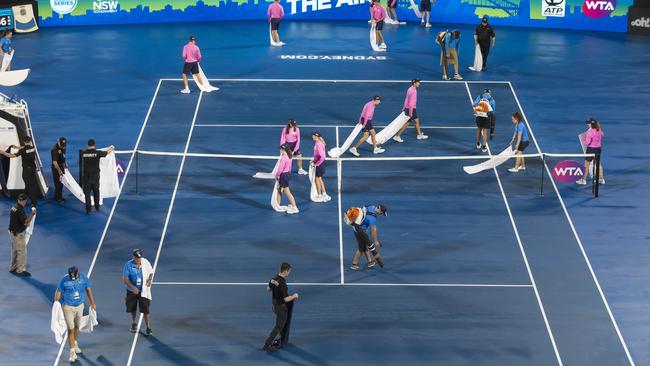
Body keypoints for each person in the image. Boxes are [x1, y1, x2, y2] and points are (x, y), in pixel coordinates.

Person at [54, 266, 97, 363]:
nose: (72, 278)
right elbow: (58, 291)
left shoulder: (83, 278)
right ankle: (72, 352)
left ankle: (75, 343)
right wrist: (56, 302)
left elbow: (88, 290)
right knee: (71, 329)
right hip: (68, 307)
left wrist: (92, 303)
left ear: (77, 273)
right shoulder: (64, 279)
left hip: (80, 306)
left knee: (77, 327)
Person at [263, 262, 299, 352]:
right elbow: (286, 299)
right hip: (281, 307)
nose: (289, 273)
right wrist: (294, 296)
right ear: (285, 271)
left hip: (274, 306)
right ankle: (267, 345)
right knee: (278, 326)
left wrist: (276, 291)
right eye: (289, 271)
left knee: (282, 323)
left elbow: (268, 289)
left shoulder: (273, 279)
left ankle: (280, 339)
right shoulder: (282, 283)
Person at [0, 136, 41, 206]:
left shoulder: (23, 150)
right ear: (30, 141)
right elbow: (25, 148)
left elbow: (12, 156)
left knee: (29, 186)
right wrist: (17, 147)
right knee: (29, 185)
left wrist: (3, 153)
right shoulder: (32, 148)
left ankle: (34, 202)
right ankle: (24, 199)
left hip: (26, 171)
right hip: (33, 169)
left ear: (24, 142)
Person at [123, 249, 154, 336]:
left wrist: (150, 279)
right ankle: (134, 323)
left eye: (139, 258)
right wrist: (133, 288)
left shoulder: (145, 262)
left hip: (143, 291)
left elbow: (151, 271)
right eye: (136, 258)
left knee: (146, 310)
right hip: (132, 292)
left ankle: (148, 327)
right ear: (133, 257)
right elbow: (125, 279)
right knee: (132, 309)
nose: (138, 260)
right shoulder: (128, 265)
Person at [346, 205, 388, 270]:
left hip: (357, 228)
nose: (381, 214)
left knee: (365, 246)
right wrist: (376, 241)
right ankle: (354, 264)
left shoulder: (372, 206)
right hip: (360, 232)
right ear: (379, 210)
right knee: (361, 248)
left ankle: (369, 262)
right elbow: (373, 230)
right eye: (381, 213)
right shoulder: (373, 219)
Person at [81, 139, 114, 214]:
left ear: (88, 145)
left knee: (87, 194)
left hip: (86, 177)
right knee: (96, 192)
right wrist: (111, 148)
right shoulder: (97, 153)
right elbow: (106, 153)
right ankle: (97, 207)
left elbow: (79, 160)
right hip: (95, 177)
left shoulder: (83, 153)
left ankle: (88, 210)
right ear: (94, 145)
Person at [7, 193, 35, 277]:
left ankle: (13, 267)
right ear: (24, 201)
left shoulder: (14, 207)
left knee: (15, 250)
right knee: (22, 251)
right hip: (17, 234)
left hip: (12, 233)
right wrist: (32, 214)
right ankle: (20, 270)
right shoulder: (20, 210)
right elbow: (26, 222)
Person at [577, 118, 605, 185]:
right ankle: (601, 179)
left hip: (591, 149)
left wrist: (582, 139)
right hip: (598, 149)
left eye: (588, 123)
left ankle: (583, 180)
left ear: (591, 124)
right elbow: (602, 135)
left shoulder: (590, 132)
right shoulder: (599, 129)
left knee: (586, 165)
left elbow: (587, 142)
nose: (587, 124)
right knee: (599, 164)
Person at [275, 145, 299, 214]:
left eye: (280, 149)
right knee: (279, 189)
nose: (279, 151)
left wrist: (276, 175)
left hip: (283, 175)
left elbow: (280, 169)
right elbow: (290, 167)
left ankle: (295, 207)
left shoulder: (283, 158)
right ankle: (278, 205)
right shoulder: (289, 156)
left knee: (287, 192)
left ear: (283, 150)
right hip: (287, 174)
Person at [311, 132, 331, 202]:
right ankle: (323, 193)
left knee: (317, 179)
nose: (312, 137)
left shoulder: (318, 144)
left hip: (320, 164)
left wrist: (317, 164)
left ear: (316, 136)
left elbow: (322, 156)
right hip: (320, 163)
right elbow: (318, 155)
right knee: (319, 179)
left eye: (313, 136)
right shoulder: (319, 142)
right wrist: (314, 160)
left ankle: (321, 194)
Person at [51, 137, 67, 203]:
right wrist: (59, 170)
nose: (63, 147)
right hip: (56, 167)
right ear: (58, 142)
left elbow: (63, 155)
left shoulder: (63, 147)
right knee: (58, 184)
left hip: (61, 165)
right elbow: (54, 162)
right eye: (62, 145)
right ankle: (57, 198)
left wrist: (65, 163)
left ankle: (58, 196)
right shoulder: (54, 150)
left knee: (61, 183)